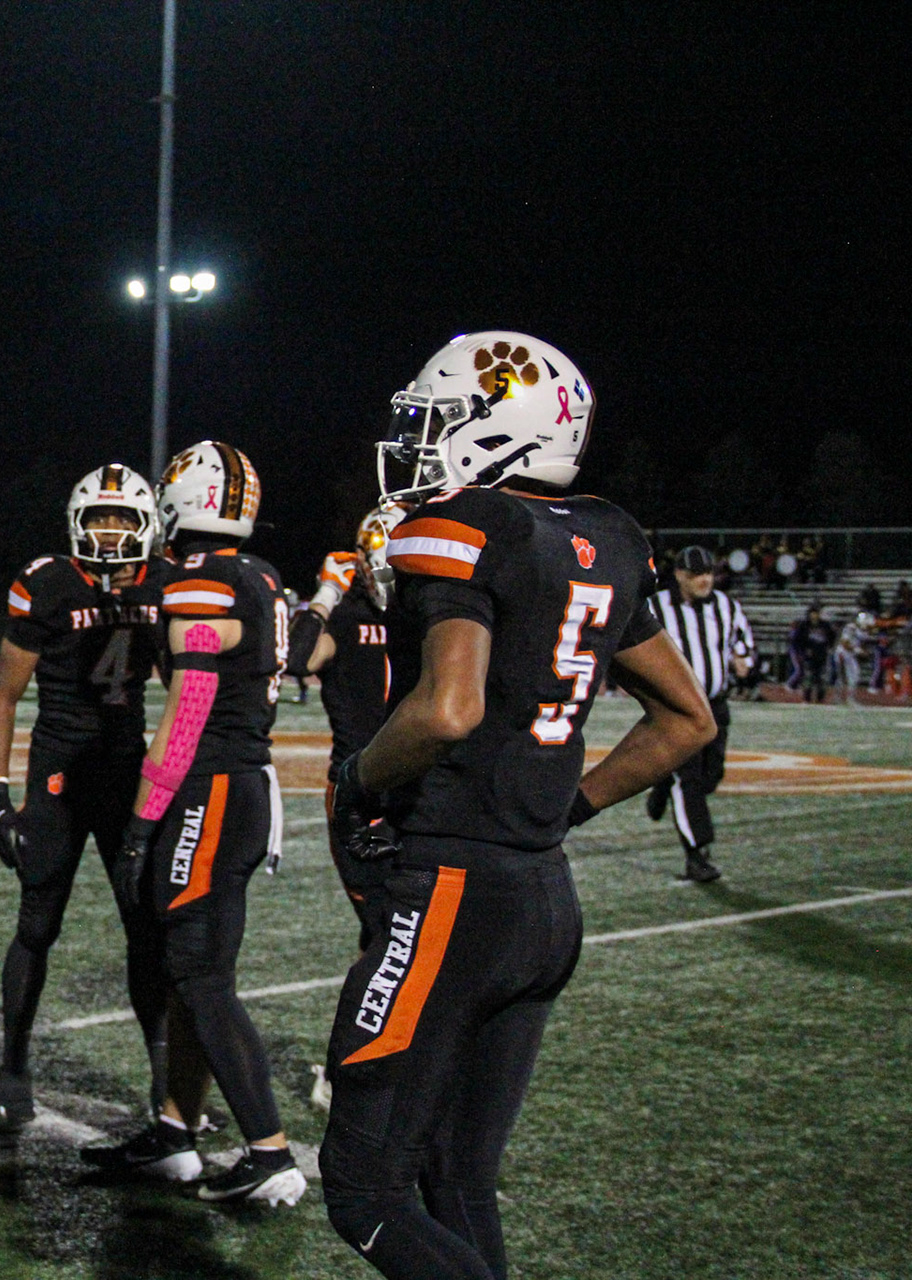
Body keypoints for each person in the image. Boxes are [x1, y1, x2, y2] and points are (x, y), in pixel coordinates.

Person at [323, 332, 714, 1279]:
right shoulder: (607, 535)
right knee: (459, 1178)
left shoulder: (466, 524)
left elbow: (448, 709)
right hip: (544, 897)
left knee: (365, 1191)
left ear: (500, 429)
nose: (418, 443)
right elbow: (688, 720)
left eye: (438, 421)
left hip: (453, 891)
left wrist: (358, 783)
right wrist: (566, 809)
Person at [89, 441, 308, 1206]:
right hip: (243, 783)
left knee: (201, 976)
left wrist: (143, 822)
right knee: (195, 974)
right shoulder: (258, 574)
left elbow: (188, 708)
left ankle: (269, 1151)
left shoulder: (204, 581)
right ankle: (177, 1133)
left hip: (210, 788)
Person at [0, 463, 169, 1134]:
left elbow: (185, 684)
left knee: (146, 928)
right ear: (75, 523)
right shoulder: (47, 582)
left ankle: (167, 1083)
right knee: (38, 923)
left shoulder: (163, 583)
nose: (111, 531)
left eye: (122, 519)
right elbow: (4, 695)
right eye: (99, 518)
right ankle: (13, 1066)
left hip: (126, 773)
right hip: (59, 773)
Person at [299, 503, 407, 950]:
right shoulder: (348, 619)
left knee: (411, 921)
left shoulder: (434, 618)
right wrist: (326, 594)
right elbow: (296, 659)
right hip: (359, 790)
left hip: (416, 788)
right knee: (380, 923)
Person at [643, 546, 754, 882]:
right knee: (688, 779)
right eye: (696, 575)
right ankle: (697, 854)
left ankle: (663, 781)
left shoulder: (726, 606)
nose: (704, 580)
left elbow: (741, 641)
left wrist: (743, 660)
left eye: (708, 573)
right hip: (677, 708)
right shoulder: (656, 606)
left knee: (711, 776)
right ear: (679, 575)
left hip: (716, 704)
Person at [791, 605, 836, 702]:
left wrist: (829, 647)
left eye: (816, 613)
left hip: (821, 654)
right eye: (813, 613)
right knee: (808, 677)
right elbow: (797, 640)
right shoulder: (804, 625)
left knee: (821, 677)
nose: (814, 615)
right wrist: (803, 650)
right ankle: (807, 697)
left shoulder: (825, 625)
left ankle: (820, 697)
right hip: (808, 655)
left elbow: (832, 636)